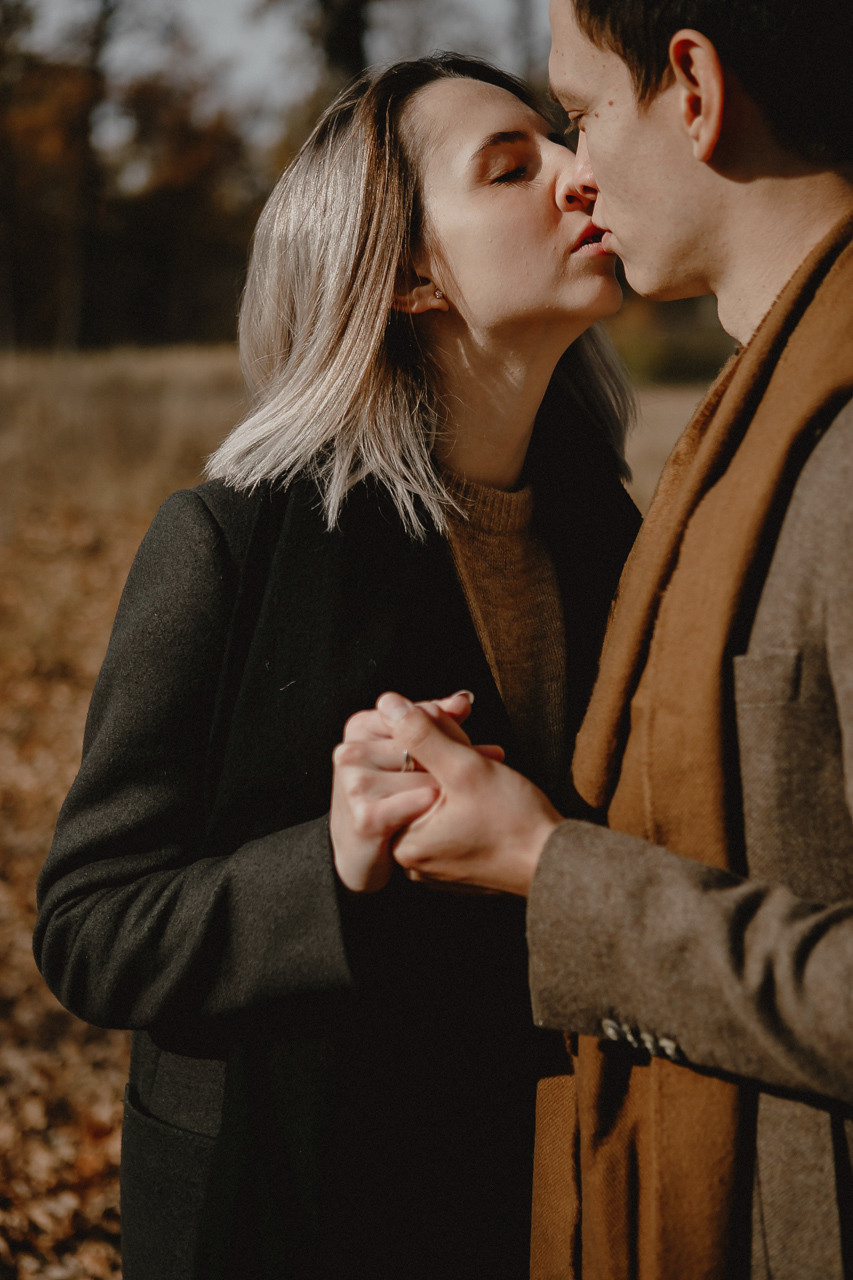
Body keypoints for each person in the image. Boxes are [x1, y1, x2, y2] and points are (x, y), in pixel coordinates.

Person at [32, 53, 641, 1280]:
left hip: (538, 1201)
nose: (583, 176)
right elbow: (90, 927)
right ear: (410, 269)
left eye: (561, 141)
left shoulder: (620, 533)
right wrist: (330, 863)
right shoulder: (232, 544)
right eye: (512, 166)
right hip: (286, 1212)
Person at [344, 3, 853, 1278]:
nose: (576, 170)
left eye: (577, 115)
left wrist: (544, 861)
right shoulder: (740, 418)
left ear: (693, 86)